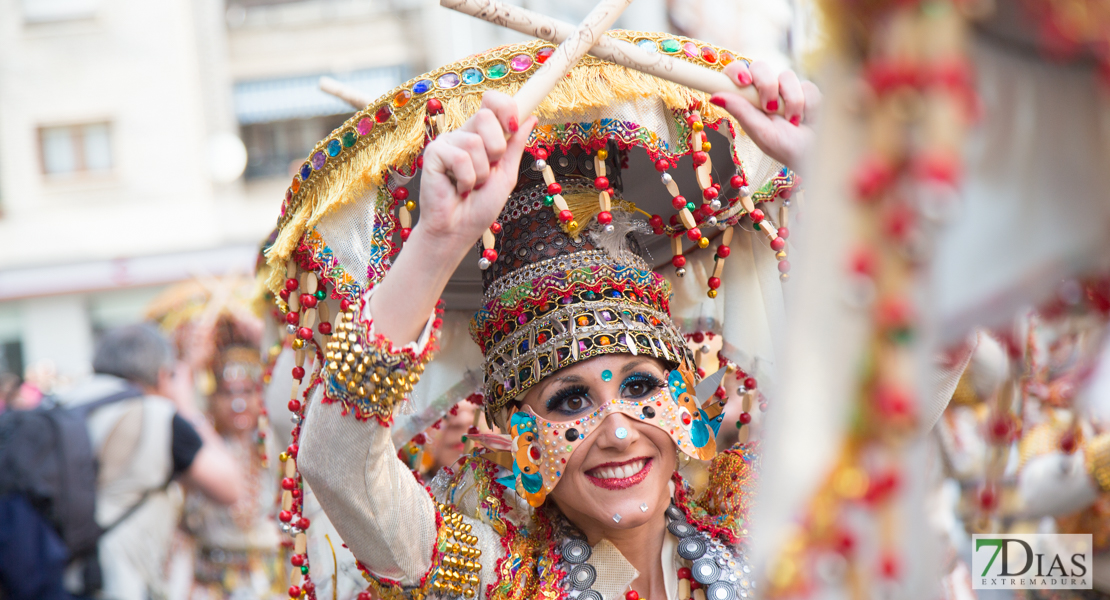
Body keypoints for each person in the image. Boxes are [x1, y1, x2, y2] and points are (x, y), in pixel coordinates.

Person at [259, 31, 817, 600]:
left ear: (687, 403)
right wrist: (436, 244)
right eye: (570, 401)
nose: (620, 432)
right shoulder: (494, 577)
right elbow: (337, 463)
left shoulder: (761, 525)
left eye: (642, 384)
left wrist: (832, 165)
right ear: (516, 437)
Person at [55, 323, 242, 600]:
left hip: (56, 578)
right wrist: (186, 406)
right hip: (121, 585)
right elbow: (230, 487)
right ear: (162, 373)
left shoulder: (59, 406)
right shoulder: (160, 417)